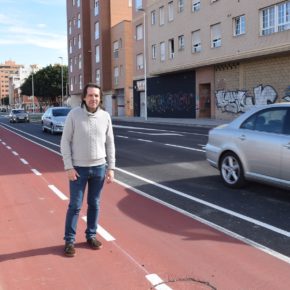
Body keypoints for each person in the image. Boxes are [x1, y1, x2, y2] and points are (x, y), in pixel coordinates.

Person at [60, 83, 116, 257]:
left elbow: (110, 143)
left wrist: (111, 167)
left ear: (100, 98)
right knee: (75, 206)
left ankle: (91, 235)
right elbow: (64, 142)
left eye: (97, 96)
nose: (94, 99)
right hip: (78, 169)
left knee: (94, 204)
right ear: (84, 97)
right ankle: (69, 241)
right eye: (90, 95)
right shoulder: (73, 115)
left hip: (99, 168)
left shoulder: (105, 116)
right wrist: (68, 166)